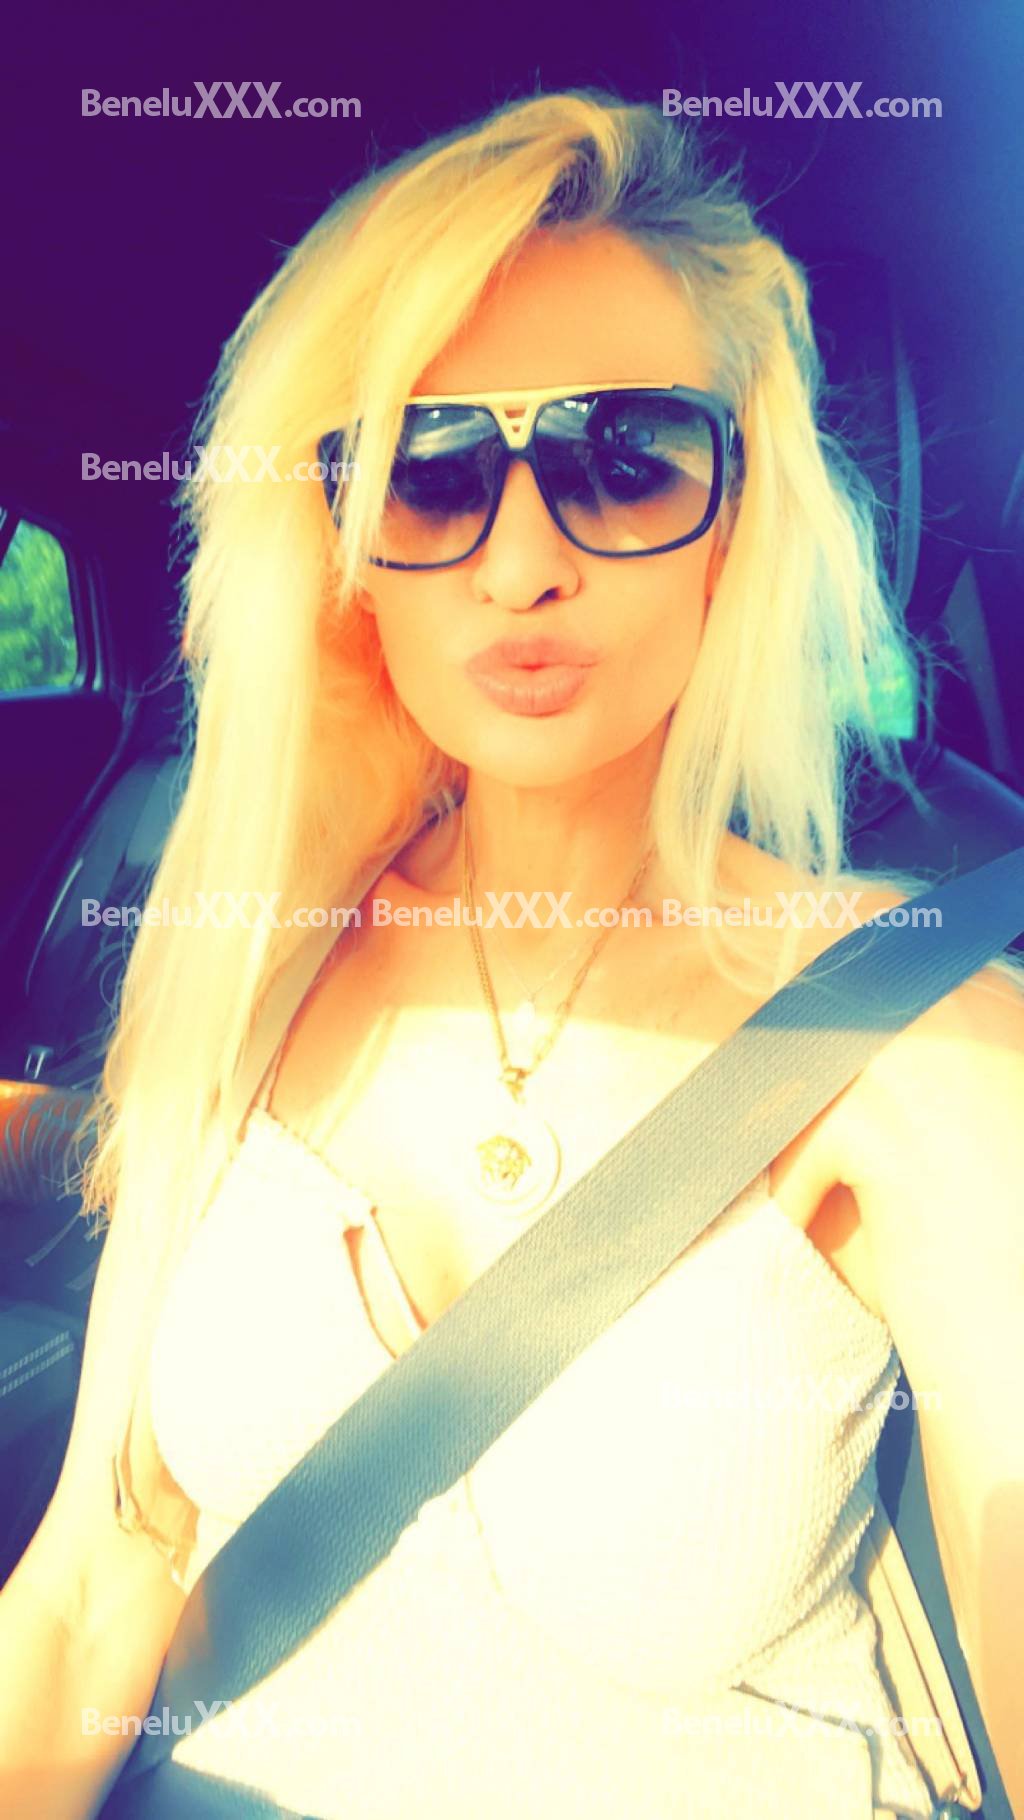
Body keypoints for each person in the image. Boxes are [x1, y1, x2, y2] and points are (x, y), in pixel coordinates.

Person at [0, 87, 1021, 1820]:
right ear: (341, 542)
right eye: (429, 466)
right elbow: (104, 1571)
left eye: (630, 456)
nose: (525, 561)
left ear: (740, 514)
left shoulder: (926, 1048)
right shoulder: (241, 967)